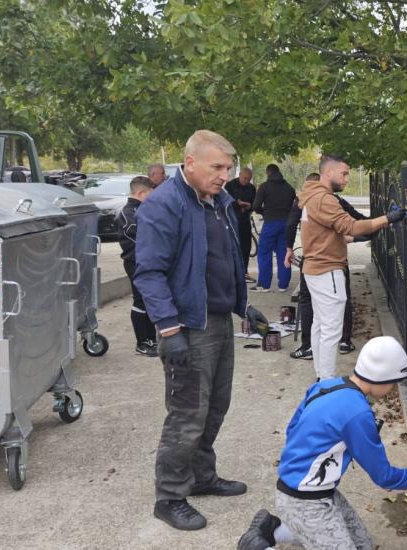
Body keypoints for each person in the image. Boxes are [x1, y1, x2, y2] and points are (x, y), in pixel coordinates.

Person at [134, 130, 268, 531]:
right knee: (186, 415)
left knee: (215, 407)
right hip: (188, 327)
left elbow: (223, 261)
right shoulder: (165, 204)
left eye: (228, 167)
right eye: (217, 167)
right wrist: (169, 329)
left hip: (219, 321)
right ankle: (170, 496)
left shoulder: (219, 202)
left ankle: (201, 477)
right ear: (189, 163)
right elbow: (150, 272)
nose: (225, 175)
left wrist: (243, 305)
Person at [236, 336, 407, 550]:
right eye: (394, 383)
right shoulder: (358, 414)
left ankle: (274, 530)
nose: (393, 390)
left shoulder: (327, 385)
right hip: (304, 500)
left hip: (312, 490)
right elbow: (384, 477)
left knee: (363, 545)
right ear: (383, 378)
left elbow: (292, 428)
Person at [297, 155, 407, 380]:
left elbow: (333, 232)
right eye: (344, 173)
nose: (347, 179)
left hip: (314, 269)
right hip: (327, 270)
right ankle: (327, 381)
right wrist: (388, 218)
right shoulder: (324, 199)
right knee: (331, 329)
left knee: (320, 325)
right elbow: (352, 226)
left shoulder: (311, 196)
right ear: (328, 173)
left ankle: (322, 376)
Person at [285, 173, 370, 360]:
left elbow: (290, 224)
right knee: (342, 299)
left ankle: (309, 345)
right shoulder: (333, 199)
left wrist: (289, 248)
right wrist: (375, 226)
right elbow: (360, 221)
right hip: (335, 262)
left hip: (315, 261)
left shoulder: (304, 199)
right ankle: (344, 341)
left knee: (308, 300)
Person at [116, 175, 158, 357]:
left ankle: (151, 339)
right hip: (136, 263)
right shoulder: (129, 213)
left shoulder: (143, 210)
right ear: (140, 193)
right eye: (151, 194)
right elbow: (138, 238)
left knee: (149, 300)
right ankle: (142, 342)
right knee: (140, 300)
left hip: (147, 262)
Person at [251, 164, 296, 292]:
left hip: (271, 223)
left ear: (268, 172)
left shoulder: (265, 187)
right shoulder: (289, 188)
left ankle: (264, 285)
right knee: (284, 252)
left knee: (264, 252)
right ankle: (283, 285)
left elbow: (256, 206)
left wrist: (264, 212)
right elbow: (294, 206)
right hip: (286, 224)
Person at [224, 167, 258, 280]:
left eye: (249, 179)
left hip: (245, 221)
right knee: (232, 246)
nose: (246, 181)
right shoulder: (229, 186)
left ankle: (244, 271)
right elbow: (224, 201)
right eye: (244, 178)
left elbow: (255, 203)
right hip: (232, 220)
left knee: (246, 247)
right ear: (239, 175)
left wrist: (249, 207)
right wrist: (237, 203)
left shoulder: (252, 188)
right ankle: (233, 272)